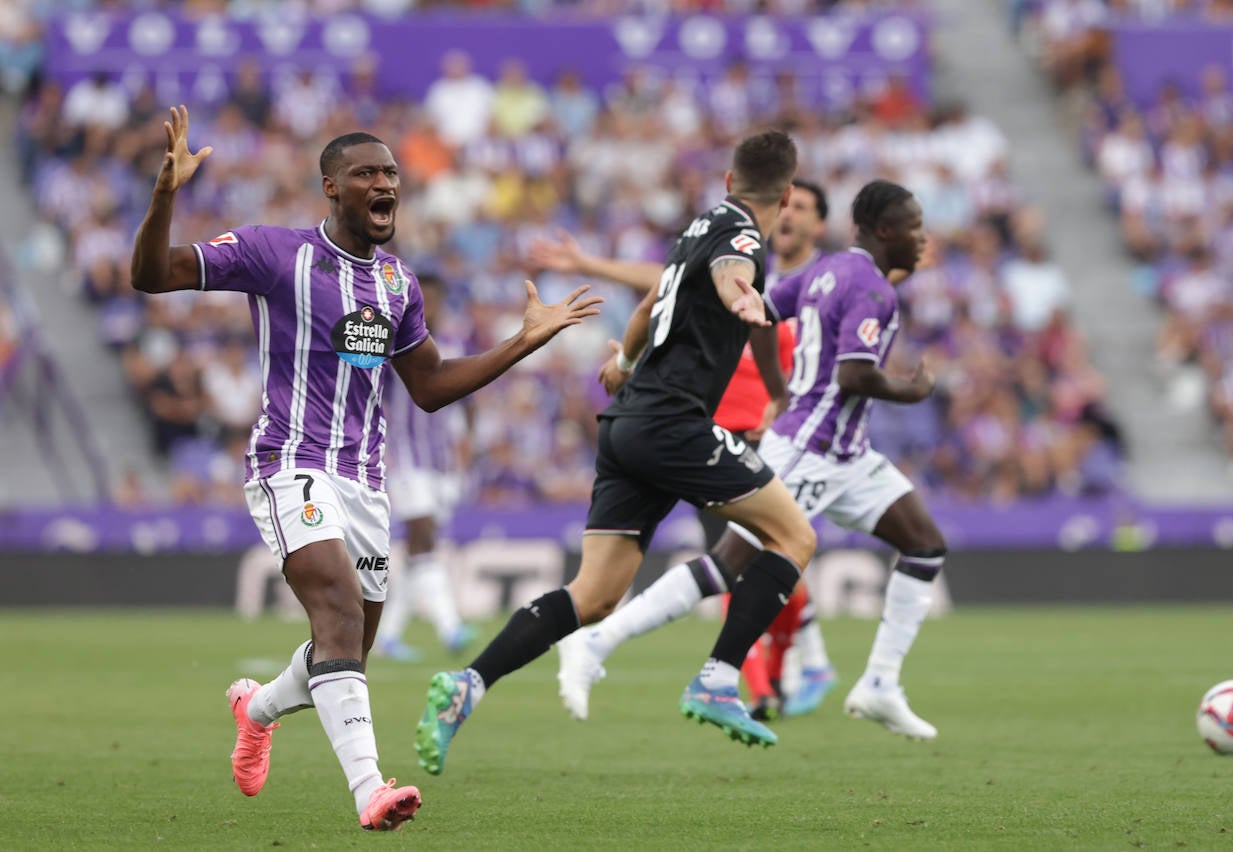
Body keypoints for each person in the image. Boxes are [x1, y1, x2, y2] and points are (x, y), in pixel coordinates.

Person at [130, 106, 601, 830]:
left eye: (391, 174)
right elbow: (153, 275)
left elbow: (432, 386)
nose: (385, 183)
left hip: (365, 484)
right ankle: (370, 792)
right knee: (340, 617)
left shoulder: (397, 285)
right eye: (367, 174)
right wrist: (165, 194)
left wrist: (524, 341)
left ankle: (255, 710)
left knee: (344, 645)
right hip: (290, 463)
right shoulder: (272, 253)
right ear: (332, 188)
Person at [415, 131, 817, 775]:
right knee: (794, 537)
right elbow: (730, 273)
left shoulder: (699, 226)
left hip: (626, 423)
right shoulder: (742, 238)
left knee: (596, 594)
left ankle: (469, 684)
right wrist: (741, 290)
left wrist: (626, 361)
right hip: (674, 423)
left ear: (726, 180)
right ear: (789, 195)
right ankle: (718, 678)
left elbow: (656, 299)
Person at [554, 180, 947, 740]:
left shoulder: (829, 272)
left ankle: (880, 683)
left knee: (925, 544)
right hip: (810, 449)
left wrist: (776, 388)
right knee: (726, 565)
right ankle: (600, 638)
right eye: (914, 227)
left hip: (847, 453)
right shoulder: (872, 292)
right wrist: (913, 389)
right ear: (885, 230)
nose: (922, 238)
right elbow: (854, 375)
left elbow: (758, 309)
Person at [534, 180, 840, 721]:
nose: (789, 218)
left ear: (818, 224)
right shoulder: (736, 257)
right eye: (788, 207)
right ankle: (764, 678)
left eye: (804, 211)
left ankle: (786, 667)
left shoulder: (816, 285)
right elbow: (666, 284)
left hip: (779, 437)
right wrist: (591, 264)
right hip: (709, 435)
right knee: (754, 555)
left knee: (770, 551)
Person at [373, 273, 479, 662]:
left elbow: (469, 405)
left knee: (419, 548)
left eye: (433, 298)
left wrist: (462, 462)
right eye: (422, 298)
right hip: (405, 458)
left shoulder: (453, 343)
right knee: (424, 537)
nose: (427, 305)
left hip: (440, 463)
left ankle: (388, 636)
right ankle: (450, 627)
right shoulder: (392, 343)